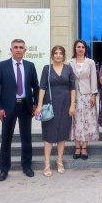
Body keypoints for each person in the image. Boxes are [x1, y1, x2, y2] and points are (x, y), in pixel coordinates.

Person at [0, 39, 39, 181]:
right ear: (11, 50)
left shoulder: (30, 66)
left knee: (27, 139)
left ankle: (27, 166)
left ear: (25, 50)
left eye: (21, 47)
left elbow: (35, 87)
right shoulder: (1, 66)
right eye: (15, 47)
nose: (18, 50)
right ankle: (4, 169)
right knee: (6, 139)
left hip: (25, 106)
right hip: (7, 108)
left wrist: (35, 103)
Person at [34, 46, 75, 176]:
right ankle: (46, 163)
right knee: (49, 134)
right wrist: (39, 105)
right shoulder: (47, 68)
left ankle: (59, 161)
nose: (58, 55)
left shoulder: (68, 69)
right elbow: (42, 87)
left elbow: (72, 88)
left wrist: (72, 105)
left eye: (60, 53)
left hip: (65, 104)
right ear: (52, 55)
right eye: (55, 53)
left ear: (64, 56)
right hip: (49, 105)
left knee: (62, 133)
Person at [69, 40, 99, 160]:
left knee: (88, 121)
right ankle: (77, 147)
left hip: (87, 96)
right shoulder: (69, 62)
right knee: (75, 121)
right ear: (75, 49)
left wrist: (93, 95)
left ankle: (85, 147)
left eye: (82, 47)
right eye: (78, 47)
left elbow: (93, 79)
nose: (80, 49)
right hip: (74, 95)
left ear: (85, 49)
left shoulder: (90, 62)